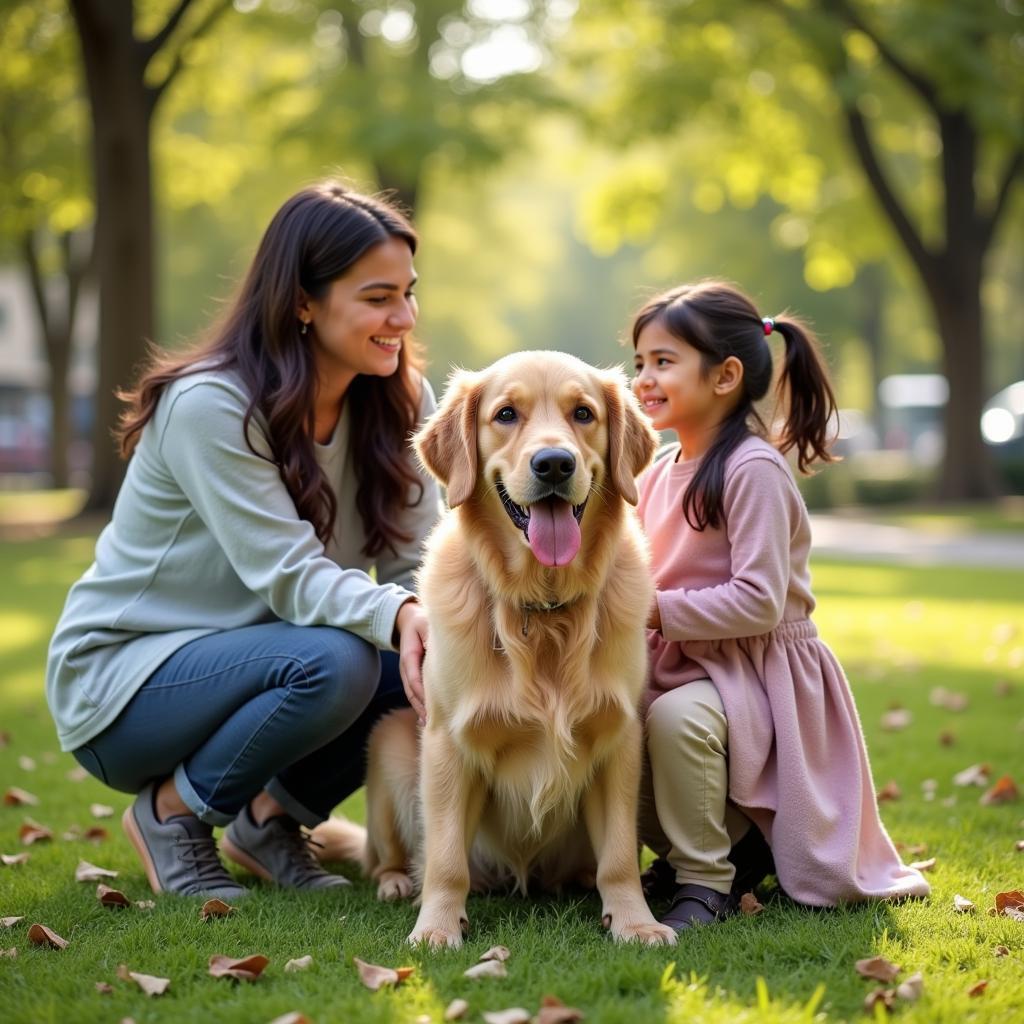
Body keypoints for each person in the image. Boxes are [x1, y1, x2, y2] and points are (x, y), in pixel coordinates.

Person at [45, 182, 439, 900]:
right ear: (302, 301)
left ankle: (268, 820)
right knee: (345, 658)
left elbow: (423, 559)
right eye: (378, 297)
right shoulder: (211, 404)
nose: (404, 317)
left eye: (409, 294)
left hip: (272, 659)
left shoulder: (403, 399)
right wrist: (404, 615)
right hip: (126, 683)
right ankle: (171, 814)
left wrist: (445, 623)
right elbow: (288, 575)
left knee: (428, 654)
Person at [629, 280, 930, 931]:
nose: (645, 379)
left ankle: (705, 881)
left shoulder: (752, 468)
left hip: (755, 670)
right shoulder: (654, 472)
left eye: (663, 361)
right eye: (640, 364)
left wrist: (654, 609)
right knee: (609, 718)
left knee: (677, 720)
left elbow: (760, 601)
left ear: (726, 375)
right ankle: (714, 850)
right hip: (684, 657)